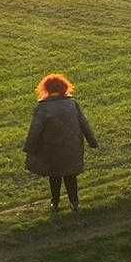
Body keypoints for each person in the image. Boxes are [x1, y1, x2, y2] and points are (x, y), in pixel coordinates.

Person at [24, 73, 100, 212]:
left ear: (45, 89)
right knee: (71, 176)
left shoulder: (43, 108)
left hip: (52, 149)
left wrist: (29, 148)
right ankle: (74, 202)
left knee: (54, 176)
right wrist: (92, 141)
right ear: (64, 87)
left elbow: (35, 130)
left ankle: (55, 202)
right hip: (72, 147)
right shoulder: (72, 104)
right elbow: (84, 124)